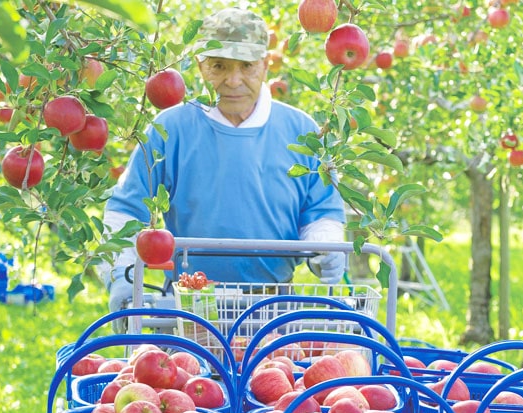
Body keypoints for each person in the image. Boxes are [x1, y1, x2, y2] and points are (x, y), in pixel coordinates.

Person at [101, 7, 347, 313]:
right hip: (187, 304)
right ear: (201, 67)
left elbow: (321, 209)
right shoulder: (172, 128)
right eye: (219, 66)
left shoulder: (300, 131)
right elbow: (126, 209)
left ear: (265, 65)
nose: (233, 80)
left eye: (246, 65)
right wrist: (122, 279)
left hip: (274, 307)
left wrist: (325, 244)